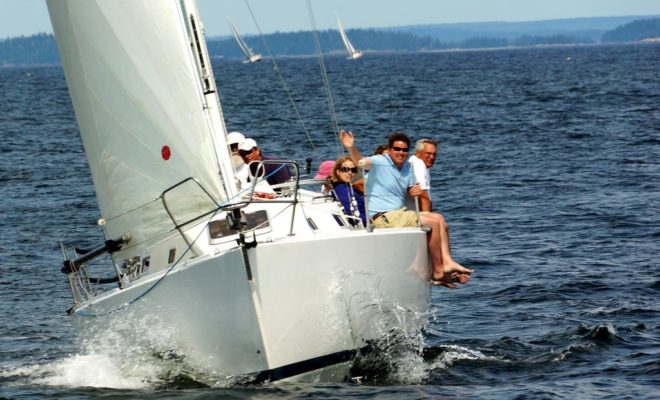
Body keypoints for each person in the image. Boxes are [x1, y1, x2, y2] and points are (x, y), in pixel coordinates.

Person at [341, 129, 472, 288]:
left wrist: (413, 191)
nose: (401, 152)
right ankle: (438, 270)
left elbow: (411, 190)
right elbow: (360, 161)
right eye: (397, 149)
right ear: (389, 150)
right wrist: (351, 147)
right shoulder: (380, 161)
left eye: (404, 150)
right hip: (383, 216)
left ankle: (446, 263)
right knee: (433, 222)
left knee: (439, 219)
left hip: (399, 214)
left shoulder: (407, 167)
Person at [330, 156, 366, 227]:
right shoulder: (342, 189)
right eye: (345, 169)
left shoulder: (350, 187)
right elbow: (349, 211)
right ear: (338, 172)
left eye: (353, 170)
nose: (350, 172)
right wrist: (370, 221)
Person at [406, 138, 437, 212]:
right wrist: (429, 218)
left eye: (434, 154)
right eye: (428, 153)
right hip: (411, 215)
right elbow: (424, 197)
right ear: (417, 153)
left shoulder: (417, 163)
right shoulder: (418, 164)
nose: (432, 157)